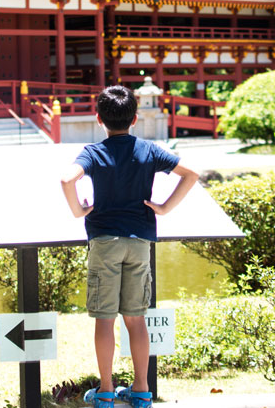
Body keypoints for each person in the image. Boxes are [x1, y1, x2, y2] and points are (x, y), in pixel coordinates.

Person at [61, 85, 198, 408]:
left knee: (105, 319)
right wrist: (163, 208)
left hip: (105, 242)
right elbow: (190, 175)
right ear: (135, 119)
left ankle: (106, 392)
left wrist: (79, 210)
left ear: (99, 119)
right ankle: (141, 391)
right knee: (136, 319)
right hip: (139, 242)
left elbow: (67, 180)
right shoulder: (149, 150)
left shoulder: (93, 153)